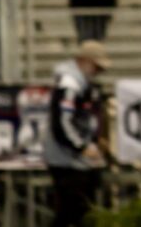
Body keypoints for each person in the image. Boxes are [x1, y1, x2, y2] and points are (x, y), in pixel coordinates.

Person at [43, 40, 109, 227]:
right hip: (66, 159)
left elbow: (87, 118)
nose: (99, 72)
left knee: (82, 211)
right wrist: (80, 147)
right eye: (97, 67)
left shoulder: (84, 84)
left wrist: (96, 139)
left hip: (77, 159)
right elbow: (62, 122)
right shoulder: (69, 84)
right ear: (85, 61)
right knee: (70, 212)